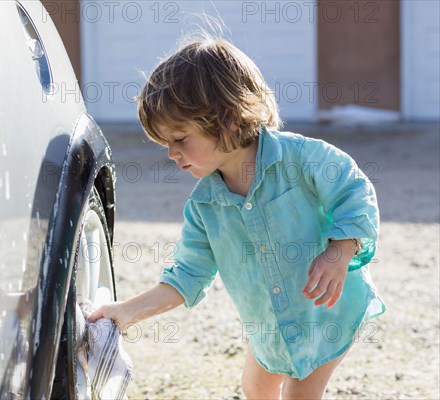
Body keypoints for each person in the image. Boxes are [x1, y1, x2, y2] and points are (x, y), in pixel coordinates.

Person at [88, 36, 386, 399]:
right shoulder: (204, 207)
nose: (171, 153)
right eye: (164, 142)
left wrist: (340, 251)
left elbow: (355, 192)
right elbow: (186, 277)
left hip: (326, 316)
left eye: (180, 137)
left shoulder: (303, 159)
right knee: (255, 388)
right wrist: (125, 312)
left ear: (228, 120)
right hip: (271, 327)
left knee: (299, 393)